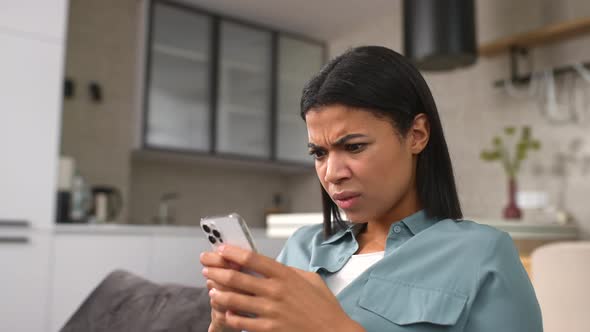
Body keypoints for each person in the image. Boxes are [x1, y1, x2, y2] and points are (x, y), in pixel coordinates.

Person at [200, 46, 543, 332]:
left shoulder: (481, 254)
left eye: (354, 147)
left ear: (417, 135)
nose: (332, 173)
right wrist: (223, 325)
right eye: (319, 153)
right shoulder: (302, 247)